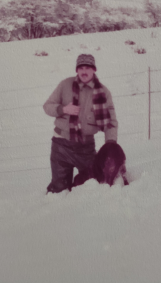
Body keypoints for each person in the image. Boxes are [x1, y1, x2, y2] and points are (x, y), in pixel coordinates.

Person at [43, 54, 118, 193]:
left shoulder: (103, 92)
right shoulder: (65, 85)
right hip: (61, 145)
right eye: (81, 68)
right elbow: (47, 106)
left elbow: (111, 123)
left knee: (92, 186)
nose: (84, 71)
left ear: (94, 70)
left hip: (86, 148)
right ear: (77, 70)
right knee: (59, 190)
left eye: (87, 68)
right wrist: (63, 109)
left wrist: (110, 145)